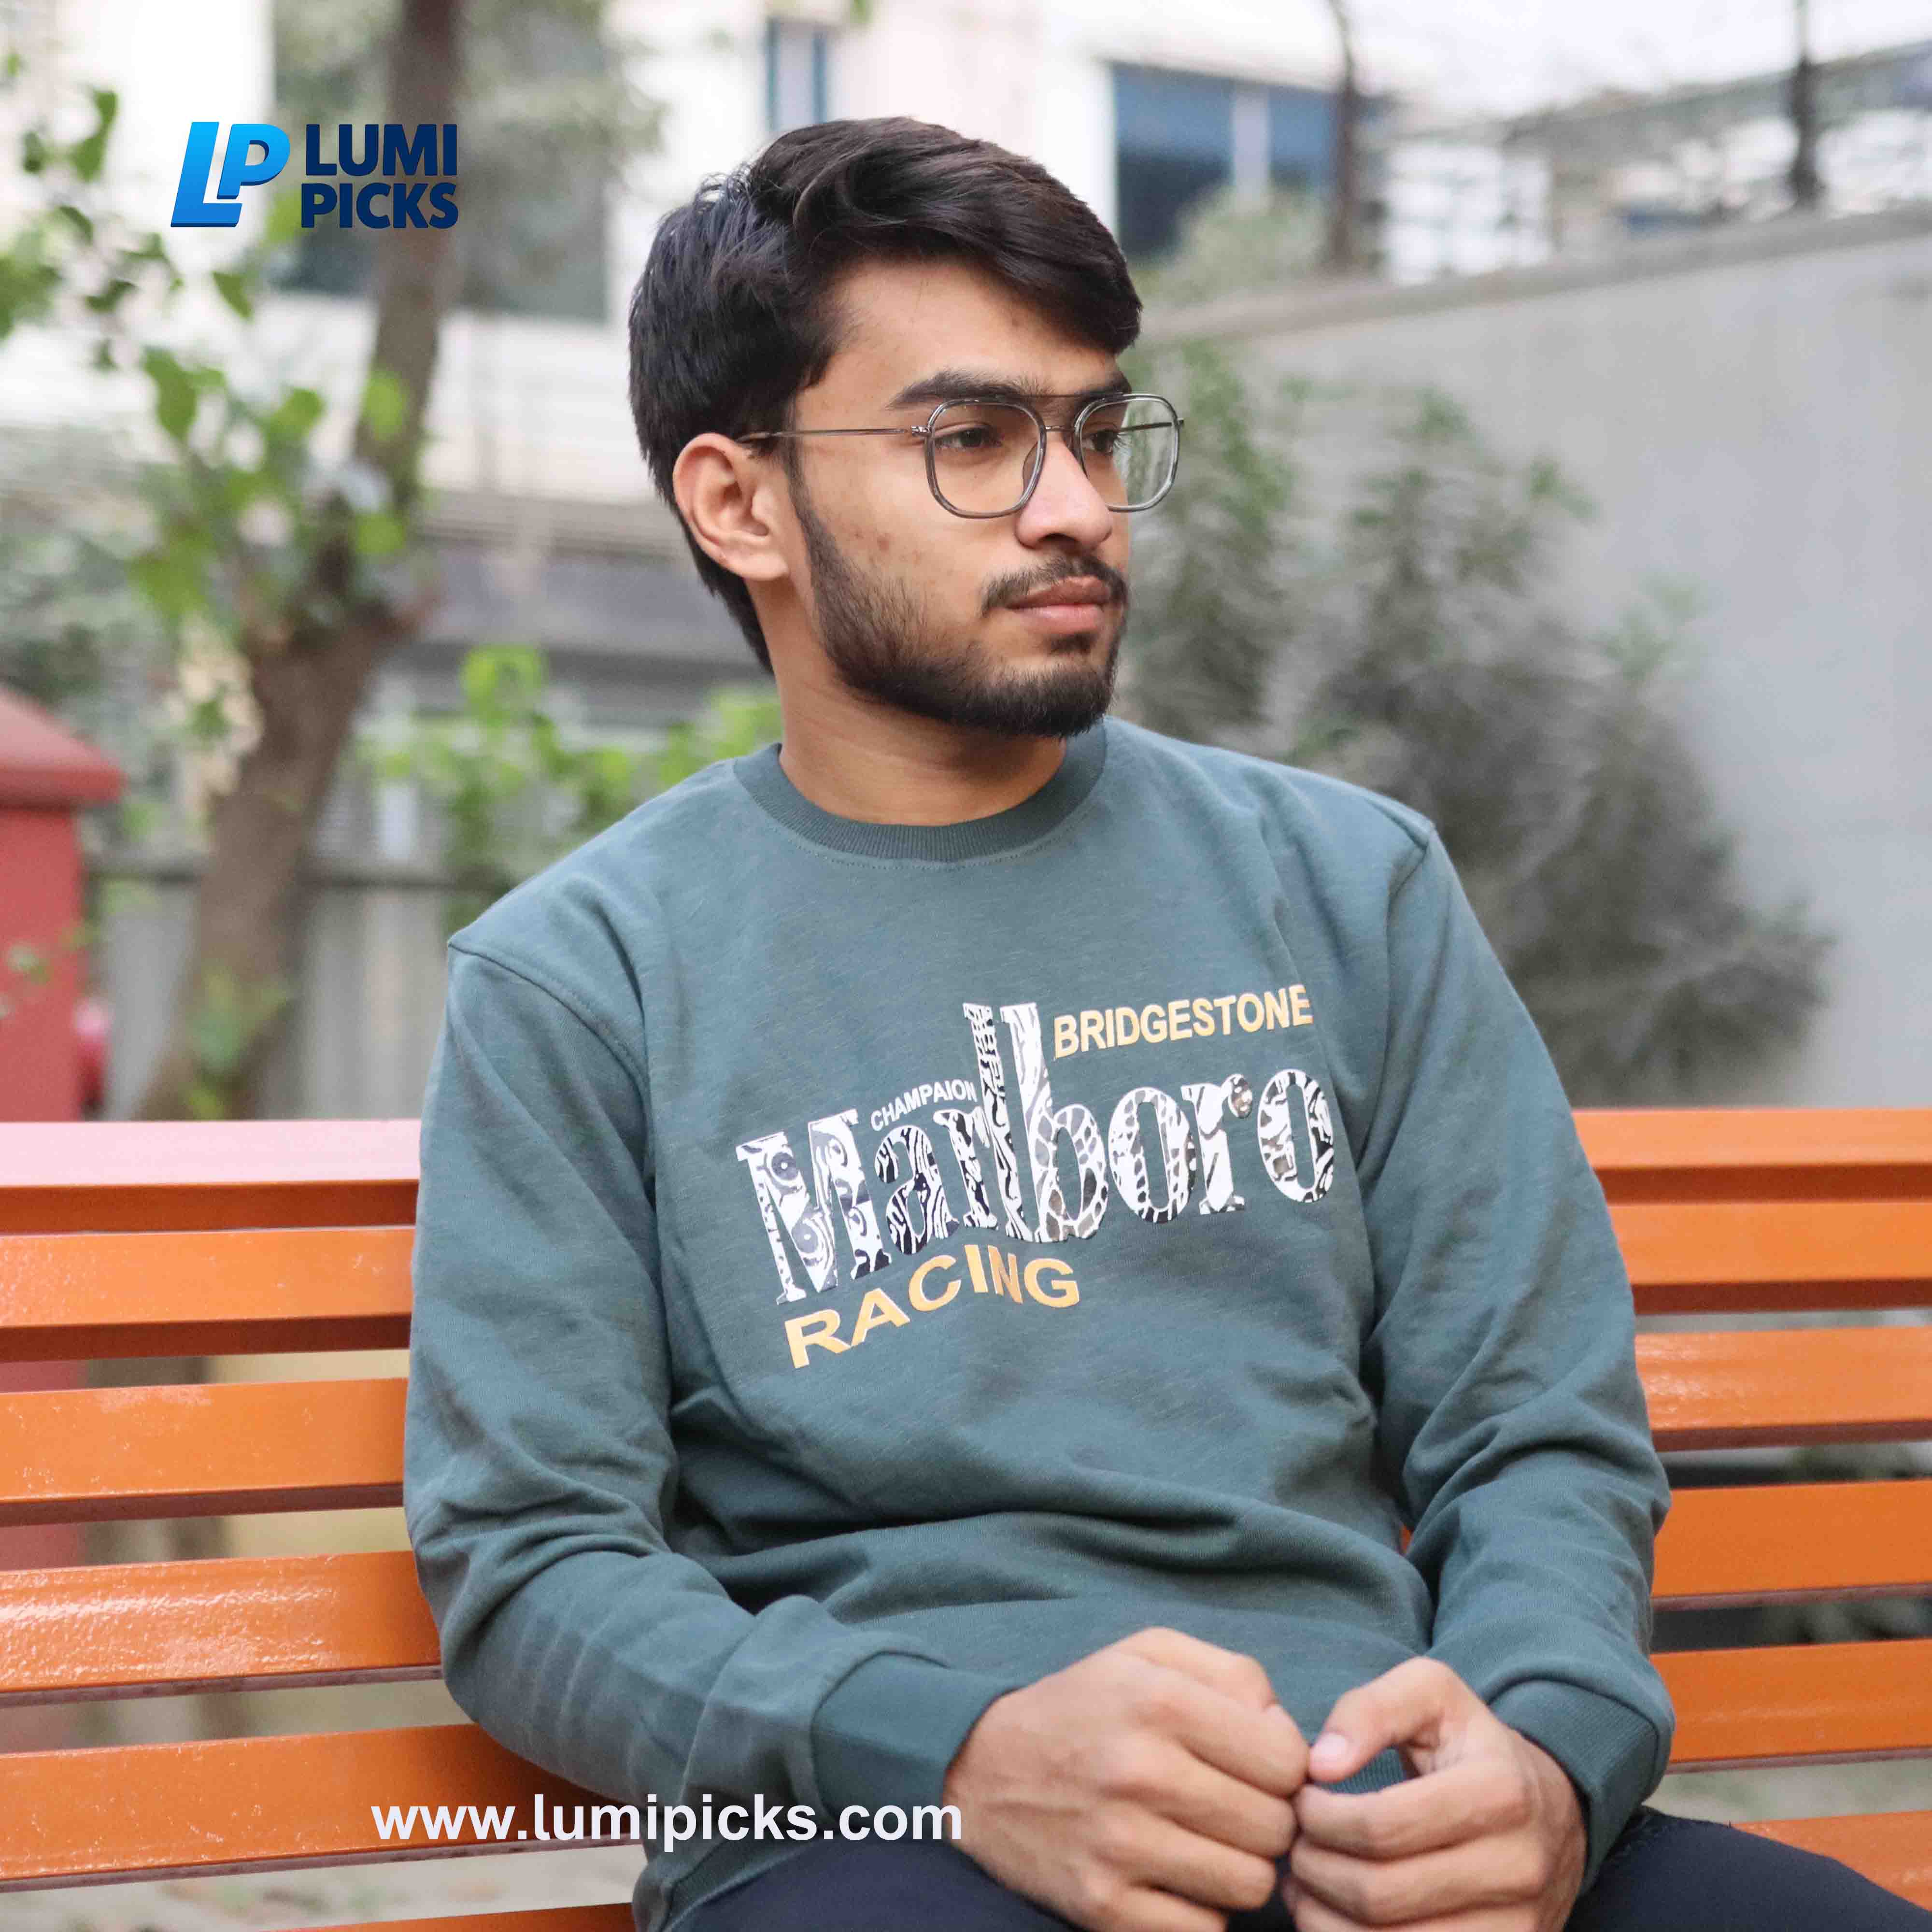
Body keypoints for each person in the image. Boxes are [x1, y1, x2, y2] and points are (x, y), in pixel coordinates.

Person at [402, 116, 1931, 1932]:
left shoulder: (1346, 884)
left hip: (1374, 1816)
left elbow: (1532, 1429)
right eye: (974, 440)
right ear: (741, 504)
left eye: (1098, 431)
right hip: (897, 1847)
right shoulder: (589, 978)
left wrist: (1543, 1755)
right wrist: (950, 1752)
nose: (1076, 506)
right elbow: (535, 1572)